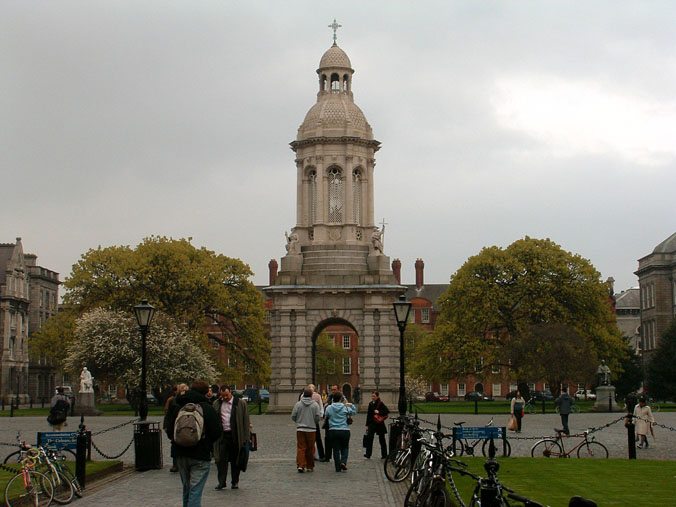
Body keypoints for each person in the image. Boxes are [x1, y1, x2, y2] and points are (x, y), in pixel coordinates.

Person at [166, 380, 221, 507]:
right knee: (195, 491)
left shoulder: (178, 405)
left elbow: (170, 431)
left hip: (180, 454)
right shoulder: (207, 407)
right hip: (200, 454)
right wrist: (206, 443)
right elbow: (217, 432)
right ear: (205, 392)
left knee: (187, 488)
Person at [213, 385, 250, 490]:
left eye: (226, 395)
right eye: (222, 395)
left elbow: (246, 421)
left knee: (236, 460)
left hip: (236, 435)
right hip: (222, 436)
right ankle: (221, 481)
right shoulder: (217, 404)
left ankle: (235, 481)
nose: (224, 397)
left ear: (230, 393)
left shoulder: (240, 403)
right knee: (221, 460)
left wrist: (246, 437)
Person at [324, 391, 356, 472]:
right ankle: (343, 462)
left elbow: (326, 415)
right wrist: (351, 404)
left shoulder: (329, 408)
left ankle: (337, 467)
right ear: (341, 399)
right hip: (344, 430)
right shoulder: (345, 407)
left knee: (335, 449)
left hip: (333, 430)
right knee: (345, 447)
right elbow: (354, 412)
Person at [291, 387, 321, 473]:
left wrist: (298, 421)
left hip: (300, 429)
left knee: (301, 448)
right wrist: (313, 422)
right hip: (311, 429)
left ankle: (300, 465)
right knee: (310, 448)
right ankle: (310, 466)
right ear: (311, 395)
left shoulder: (298, 404)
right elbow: (317, 417)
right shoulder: (315, 405)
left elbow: (293, 416)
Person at [163, 383, 188, 473]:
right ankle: (175, 464)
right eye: (182, 389)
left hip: (186, 425)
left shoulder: (189, 400)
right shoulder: (173, 400)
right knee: (175, 444)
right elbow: (168, 414)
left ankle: (184, 463)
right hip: (175, 425)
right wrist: (166, 425)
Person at [364, 391, 389, 459]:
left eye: (374, 396)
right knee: (369, 438)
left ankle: (384, 454)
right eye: (372, 396)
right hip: (372, 423)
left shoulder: (380, 403)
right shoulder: (370, 404)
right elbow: (368, 415)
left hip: (379, 423)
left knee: (382, 439)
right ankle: (368, 454)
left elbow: (387, 411)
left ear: (377, 397)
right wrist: (367, 425)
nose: (373, 397)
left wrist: (379, 412)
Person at [319, 384, 340, 462]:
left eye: (335, 389)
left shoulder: (342, 398)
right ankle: (327, 456)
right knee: (327, 439)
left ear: (338, 390)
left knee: (337, 441)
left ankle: (338, 457)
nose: (333, 391)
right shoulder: (329, 397)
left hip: (338, 423)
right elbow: (325, 410)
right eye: (332, 390)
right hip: (329, 422)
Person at [308, 384, 325, 460]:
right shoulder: (317, 396)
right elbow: (321, 406)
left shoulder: (303, 396)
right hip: (315, 420)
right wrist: (321, 415)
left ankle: (307, 455)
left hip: (307, 420)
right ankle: (321, 455)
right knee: (318, 438)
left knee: (307, 438)